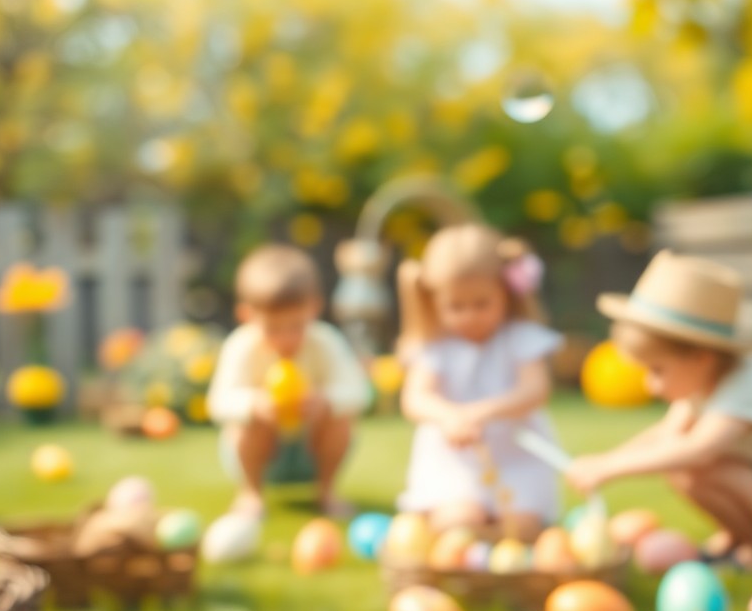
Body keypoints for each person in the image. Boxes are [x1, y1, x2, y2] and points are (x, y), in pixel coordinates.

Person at [567, 251, 752, 570]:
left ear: (702, 358)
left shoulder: (745, 387)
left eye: (658, 370)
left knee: (694, 468)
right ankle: (739, 537)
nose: (650, 386)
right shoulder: (702, 383)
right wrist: (606, 460)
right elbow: (666, 436)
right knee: (685, 467)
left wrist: (609, 468)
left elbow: (697, 450)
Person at [396, 224, 564, 541]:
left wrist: (478, 413)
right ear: (434, 301)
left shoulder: (520, 338)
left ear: (505, 292)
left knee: (522, 530)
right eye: (456, 307)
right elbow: (415, 398)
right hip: (456, 462)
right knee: (459, 524)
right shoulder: (435, 347)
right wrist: (449, 416)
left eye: (482, 304)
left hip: (516, 457)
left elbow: (535, 390)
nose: (470, 316)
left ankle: (502, 550)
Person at [206, 245, 369, 518]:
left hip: (309, 450)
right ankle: (251, 493)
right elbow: (217, 402)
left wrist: (326, 401)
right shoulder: (241, 346)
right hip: (260, 454)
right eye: (273, 328)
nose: (286, 338)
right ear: (247, 315)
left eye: (296, 326)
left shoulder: (325, 341)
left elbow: (360, 393)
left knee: (342, 420)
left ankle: (327, 491)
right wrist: (254, 404)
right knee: (244, 424)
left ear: (314, 308)